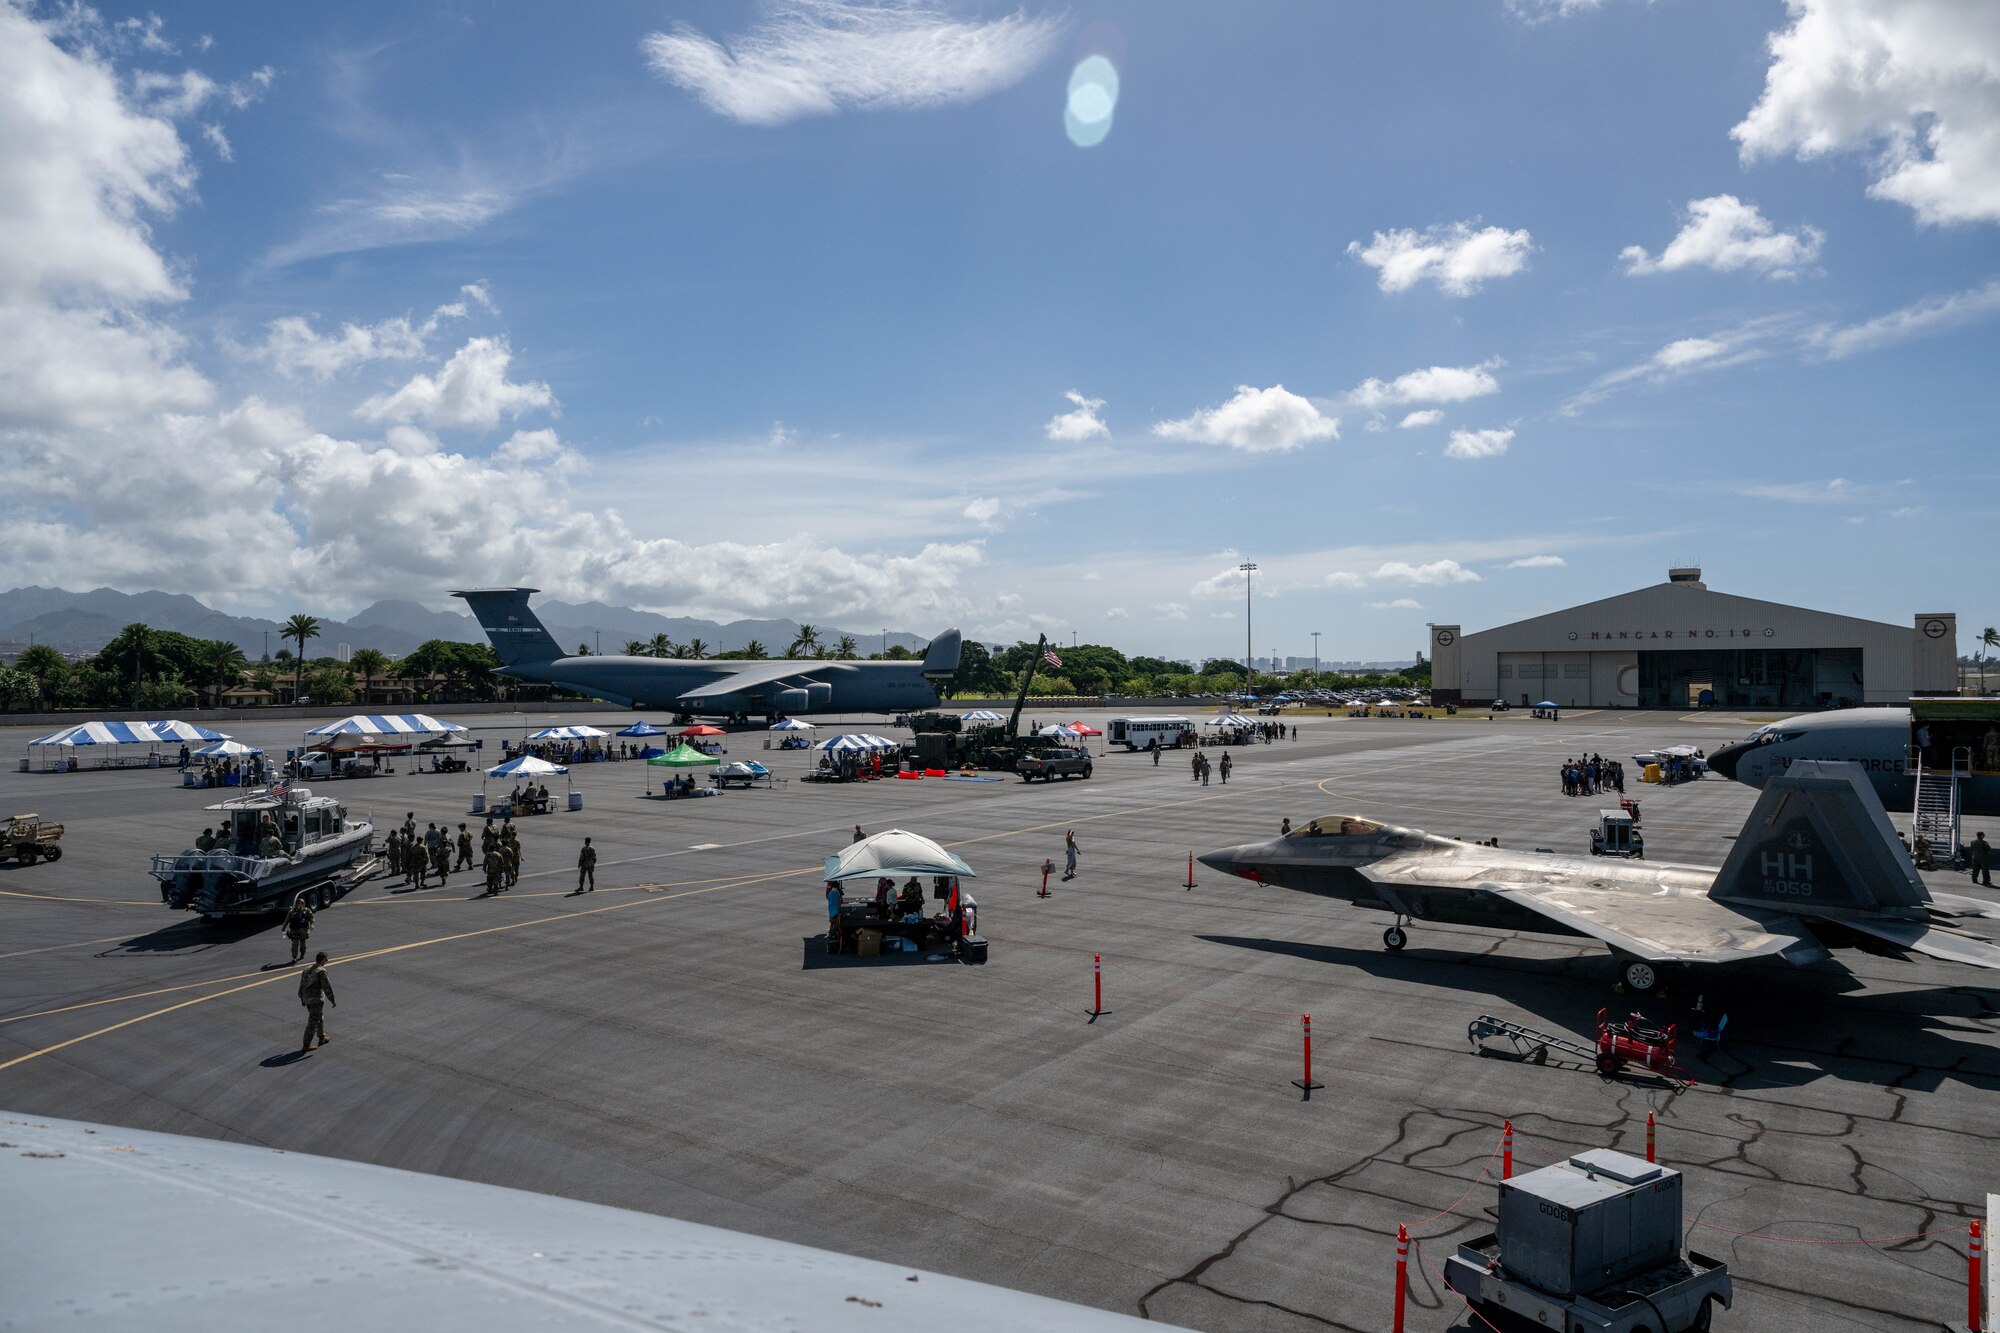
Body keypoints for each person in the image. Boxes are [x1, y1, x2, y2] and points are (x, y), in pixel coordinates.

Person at [298, 951, 335, 1052]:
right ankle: (306, 1044)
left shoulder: (307, 969)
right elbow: (327, 987)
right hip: (316, 1000)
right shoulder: (321, 971)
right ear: (322, 960)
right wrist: (332, 1000)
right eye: (326, 959)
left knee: (319, 1017)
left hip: (307, 999)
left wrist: (302, 998)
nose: (326, 961)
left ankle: (322, 1038)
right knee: (312, 1022)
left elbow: (301, 985)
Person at [284, 895, 315, 963]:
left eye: (303, 903)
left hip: (303, 930)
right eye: (301, 903)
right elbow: (287, 920)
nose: (303, 904)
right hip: (294, 930)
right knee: (295, 944)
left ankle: (302, 954)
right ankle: (294, 957)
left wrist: (312, 925)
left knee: (303, 944)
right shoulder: (291, 912)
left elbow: (311, 918)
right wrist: (283, 928)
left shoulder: (307, 910)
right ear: (297, 904)